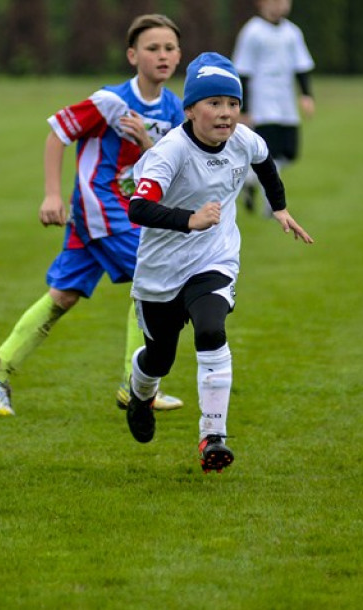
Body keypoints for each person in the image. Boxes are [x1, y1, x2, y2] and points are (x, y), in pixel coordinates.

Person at [0, 14, 187, 416]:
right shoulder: (110, 101)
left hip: (124, 210)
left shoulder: (173, 108)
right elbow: (57, 135)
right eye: (152, 48)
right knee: (152, 279)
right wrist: (52, 194)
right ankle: (136, 387)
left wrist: (144, 140)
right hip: (99, 205)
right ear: (132, 55)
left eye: (169, 48)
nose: (162, 55)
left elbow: (164, 166)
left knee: (64, 295)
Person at [124, 52, 314, 473]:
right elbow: (138, 208)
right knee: (159, 359)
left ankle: (213, 435)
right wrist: (189, 220)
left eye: (232, 103)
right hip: (161, 271)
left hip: (214, 258)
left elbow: (265, 164)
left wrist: (279, 208)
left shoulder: (245, 139)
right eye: (214, 104)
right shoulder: (169, 152)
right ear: (190, 110)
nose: (226, 113)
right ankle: (140, 394)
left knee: (211, 328)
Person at [232, 0, 315, 215]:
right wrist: (244, 109)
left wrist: (306, 95)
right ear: (261, 2)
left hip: (285, 105)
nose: (281, 5)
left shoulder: (292, 32)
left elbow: (302, 66)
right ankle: (272, 204)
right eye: (275, 0)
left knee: (289, 153)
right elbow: (242, 72)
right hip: (262, 105)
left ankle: (249, 179)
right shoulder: (252, 32)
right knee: (269, 153)